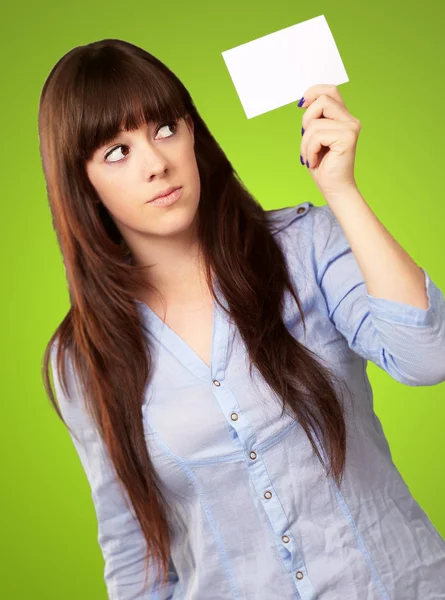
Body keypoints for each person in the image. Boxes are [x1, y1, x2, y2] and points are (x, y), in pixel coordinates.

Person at [40, 38, 445, 599]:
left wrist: (342, 192)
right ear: (82, 182)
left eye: (164, 129)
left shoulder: (305, 246)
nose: (156, 164)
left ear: (193, 135)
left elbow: (427, 358)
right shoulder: (82, 359)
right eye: (116, 151)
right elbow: (135, 555)